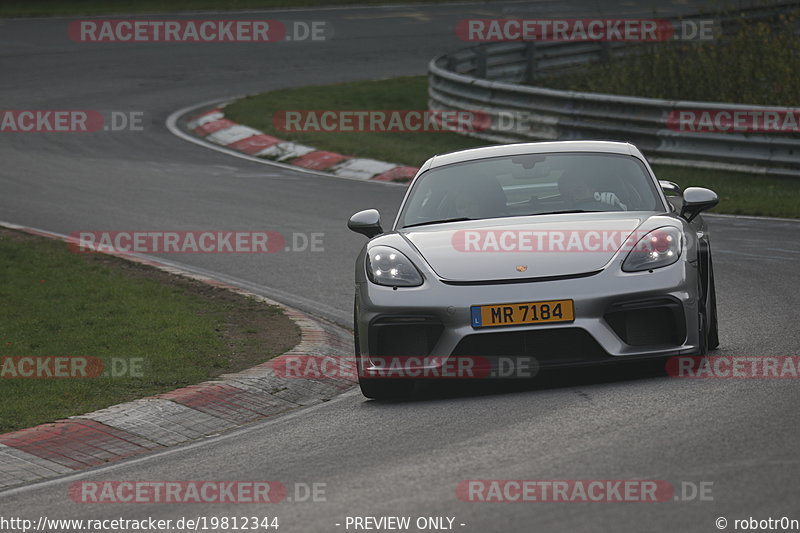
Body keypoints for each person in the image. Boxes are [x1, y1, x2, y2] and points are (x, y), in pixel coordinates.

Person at [558, 172, 627, 211]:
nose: (574, 197)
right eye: (567, 194)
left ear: (592, 190)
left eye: (579, 191)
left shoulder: (613, 208)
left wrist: (620, 207)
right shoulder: (557, 218)